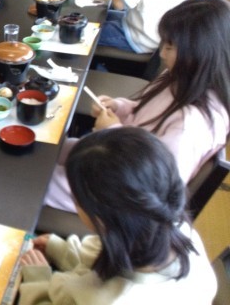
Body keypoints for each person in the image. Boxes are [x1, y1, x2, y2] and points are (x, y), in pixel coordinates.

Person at [45, 0, 230, 213]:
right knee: (48, 148)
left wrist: (113, 131)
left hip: (121, 192)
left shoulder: (190, 126)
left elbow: (154, 184)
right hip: (113, 161)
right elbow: (141, 110)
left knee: (37, 178)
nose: (162, 54)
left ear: (201, 53)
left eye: (170, 47)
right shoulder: (179, 77)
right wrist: (119, 107)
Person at [20, 128, 217, 305]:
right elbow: (104, 271)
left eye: (76, 199)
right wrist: (63, 251)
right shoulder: (176, 229)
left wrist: (38, 280)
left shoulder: (113, 300)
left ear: (102, 219)